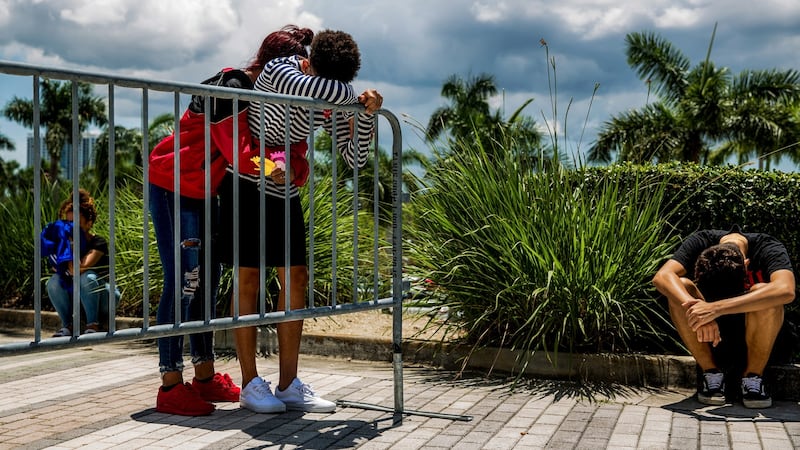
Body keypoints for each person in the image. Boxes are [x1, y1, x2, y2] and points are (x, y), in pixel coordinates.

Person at [218, 27, 383, 414]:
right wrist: (356, 98)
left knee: (296, 276)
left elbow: (354, 157)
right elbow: (332, 93)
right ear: (307, 64)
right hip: (245, 179)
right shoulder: (282, 70)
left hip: (284, 185)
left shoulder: (328, 91)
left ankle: (289, 384)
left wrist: (366, 116)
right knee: (248, 277)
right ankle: (249, 384)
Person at [652, 225, 795, 408]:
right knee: (681, 286)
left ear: (746, 265)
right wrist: (699, 311)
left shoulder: (767, 247)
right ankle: (711, 374)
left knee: (765, 292)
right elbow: (661, 276)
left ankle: (753, 378)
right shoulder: (701, 240)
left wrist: (715, 308)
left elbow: (786, 290)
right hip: (711, 337)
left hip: (759, 337)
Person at [43, 189, 119, 337]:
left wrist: (69, 248)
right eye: (68, 222)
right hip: (79, 300)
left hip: (105, 299)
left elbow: (78, 269)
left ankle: (93, 324)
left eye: (75, 223)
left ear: (89, 223)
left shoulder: (98, 242)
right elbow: (56, 268)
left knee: (87, 277)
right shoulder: (63, 243)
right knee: (53, 282)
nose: (70, 228)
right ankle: (68, 325)